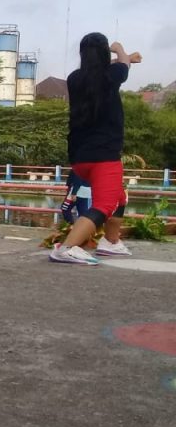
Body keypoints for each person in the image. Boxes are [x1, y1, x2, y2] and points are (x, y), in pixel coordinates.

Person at [50, 33, 140, 264]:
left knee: (118, 197)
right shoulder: (113, 74)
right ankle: (66, 248)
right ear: (104, 53)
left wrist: (123, 58)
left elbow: (109, 68)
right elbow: (122, 65)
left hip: (80, 157)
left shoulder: (74, 78)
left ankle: (111, 242)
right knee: (105, 205)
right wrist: (120, 49)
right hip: (104, 155)